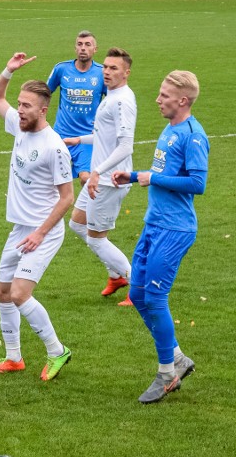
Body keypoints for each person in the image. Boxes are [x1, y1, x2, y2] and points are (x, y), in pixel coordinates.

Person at [112, 70, 209, 404]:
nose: (158, 100)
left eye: (164, 95)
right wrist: (135, 175)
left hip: (175, 229)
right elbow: (163, 174)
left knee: (155, 299)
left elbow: (198, 183)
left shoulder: (194, 136)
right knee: (138, 296)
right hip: (154, 225)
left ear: (183, 100)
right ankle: (178, 358)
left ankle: (167, 373)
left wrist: (151, 177)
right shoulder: (170, 128)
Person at [0, 52, 74, 381]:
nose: (19, 110)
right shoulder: (20, 128)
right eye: (19, 104)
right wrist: (8, 69)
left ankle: (57, 350)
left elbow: (67, 198)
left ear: (43, 109)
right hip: (21, 229)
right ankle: (13, 358)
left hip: (44, 232)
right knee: (3, 292)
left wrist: (39, 234)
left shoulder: (54, 147)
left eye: (26, 106)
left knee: (20, 293)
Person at [64, 47, 136, 306]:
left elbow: (126, 146)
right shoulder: (112, 96)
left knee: (96, 238)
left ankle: (134, 283)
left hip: (109, 180)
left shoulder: (122, 101)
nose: (106, 71)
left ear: (126, 73)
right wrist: (79, 139)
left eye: (113, 68)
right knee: (77, 223)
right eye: (105, 67)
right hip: (101, 178)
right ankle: (115, 276)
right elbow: (107, 137)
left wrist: (96, 172)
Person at [46, 31, 106, 251]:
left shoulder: (101, 74)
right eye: (79, 44)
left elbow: (112, 102)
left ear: (94, 49)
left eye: (88, 44)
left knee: (85, 179)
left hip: (86, 140)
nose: (83, 48)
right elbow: (45, 92)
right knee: (50, 180)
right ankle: (47, 219)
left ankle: (95, 218)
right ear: (75, 47)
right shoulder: (62, 69)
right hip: (60, 137)